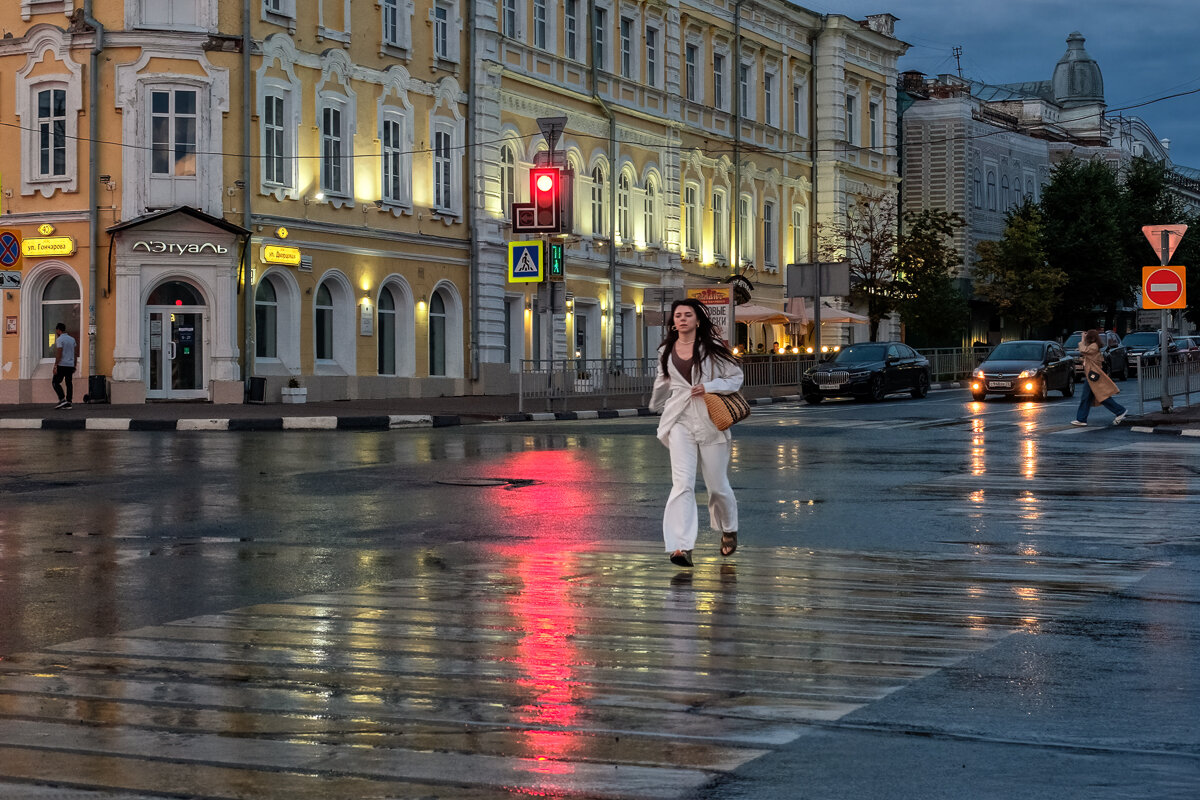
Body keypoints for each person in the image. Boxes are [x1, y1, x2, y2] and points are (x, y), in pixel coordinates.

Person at [649, 299, 744, 567]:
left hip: (711, 419)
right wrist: (654, 404)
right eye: (678, 315)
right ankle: (681, 546)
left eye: (687, 315)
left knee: (717, 486)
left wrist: (710, 385)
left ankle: (729, 528)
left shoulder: (713, 350)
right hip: (679, 419)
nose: (682, 319)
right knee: (682, 484)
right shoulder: (666, 350)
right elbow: (662, 380)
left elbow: (735, 378)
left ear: (697, 320)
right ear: (673, 322)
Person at [1072, 328, 1126, 427]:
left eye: (1088, 337)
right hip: (1091, 376)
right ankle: (1081, 419)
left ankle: (1120, 411)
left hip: (1093, 376)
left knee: (1099, 397)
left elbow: (1083, 350)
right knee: (1095, 397)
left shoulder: (1094, 346)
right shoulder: (1094, 345)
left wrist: (1082, 340)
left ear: (1091, 338)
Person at [51, 322, 77, 410]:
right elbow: (75, 353)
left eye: (56, 330)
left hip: (62, 364)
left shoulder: (59, 339)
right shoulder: (72, 339)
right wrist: (74, 365)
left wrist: (55, 365)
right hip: (70, 364)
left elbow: (59, 352)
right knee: (69, 383)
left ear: (58, 330)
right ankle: (69, 401)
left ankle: (62, 400)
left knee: (55, 382)